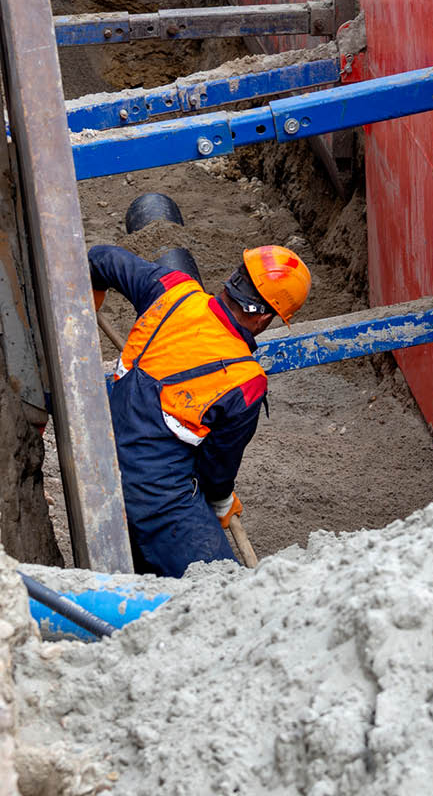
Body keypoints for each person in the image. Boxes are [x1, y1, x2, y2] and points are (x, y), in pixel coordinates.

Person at [88, 244, 311, 577]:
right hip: (156, 500)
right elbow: (214, 471)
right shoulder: (245, 381)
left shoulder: (171, 288)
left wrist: (88, 304)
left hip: (97, 459)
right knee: (220, 590)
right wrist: (221, 499)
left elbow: (99, 259)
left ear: (235, 277)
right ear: (266, 317)